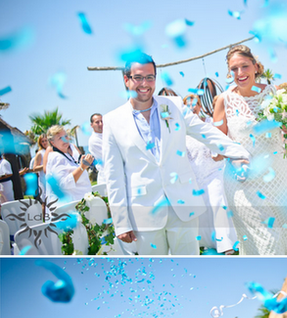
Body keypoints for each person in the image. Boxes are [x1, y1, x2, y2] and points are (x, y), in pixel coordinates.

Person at [102, 52, 249, 255]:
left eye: (150, 77)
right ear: (126, 80)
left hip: (184, 205)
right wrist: (121, 222)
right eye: (138, 77)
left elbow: (205, 132)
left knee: (190, 269)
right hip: (144, 213)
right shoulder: (112, 121)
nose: (144, 83)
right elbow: (114, 176)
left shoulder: (175, 106)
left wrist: (239, 152)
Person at [213, 44, 287, 255]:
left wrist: (285, 120)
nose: (240, 73)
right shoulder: (224, 100)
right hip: (243, 182)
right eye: (234, 69)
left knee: (285, 232)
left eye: (244, 66)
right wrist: (235, 156)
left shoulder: (273, 93)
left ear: (255, 66)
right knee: (267, 240)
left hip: (277, 178)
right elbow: (216, 152)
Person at [183, 94, 237, 254]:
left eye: (195, 104)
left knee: (217, 204)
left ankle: (226, 244)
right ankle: (210, 243)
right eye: (189, 105)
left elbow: (219, 145)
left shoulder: (209, 124)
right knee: (204, 211)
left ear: (200, 106)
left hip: (214, 172)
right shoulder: (181, 131)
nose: (193, 108)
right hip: (196, 176)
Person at [45, 127, 94, 204]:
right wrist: (82, 167)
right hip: (71, 206)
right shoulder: (56, 157)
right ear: (52, 143)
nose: (64, 140)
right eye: (60, 138)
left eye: (66, 136)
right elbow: (63, 184)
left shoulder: (66, 155)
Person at [88, 113, 105, 185]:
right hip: (106, 178)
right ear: (91, 125)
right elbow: (108, 154)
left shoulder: (107, 134)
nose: (100, 124)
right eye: (97, 122)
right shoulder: (93, 140)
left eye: (102, 121)